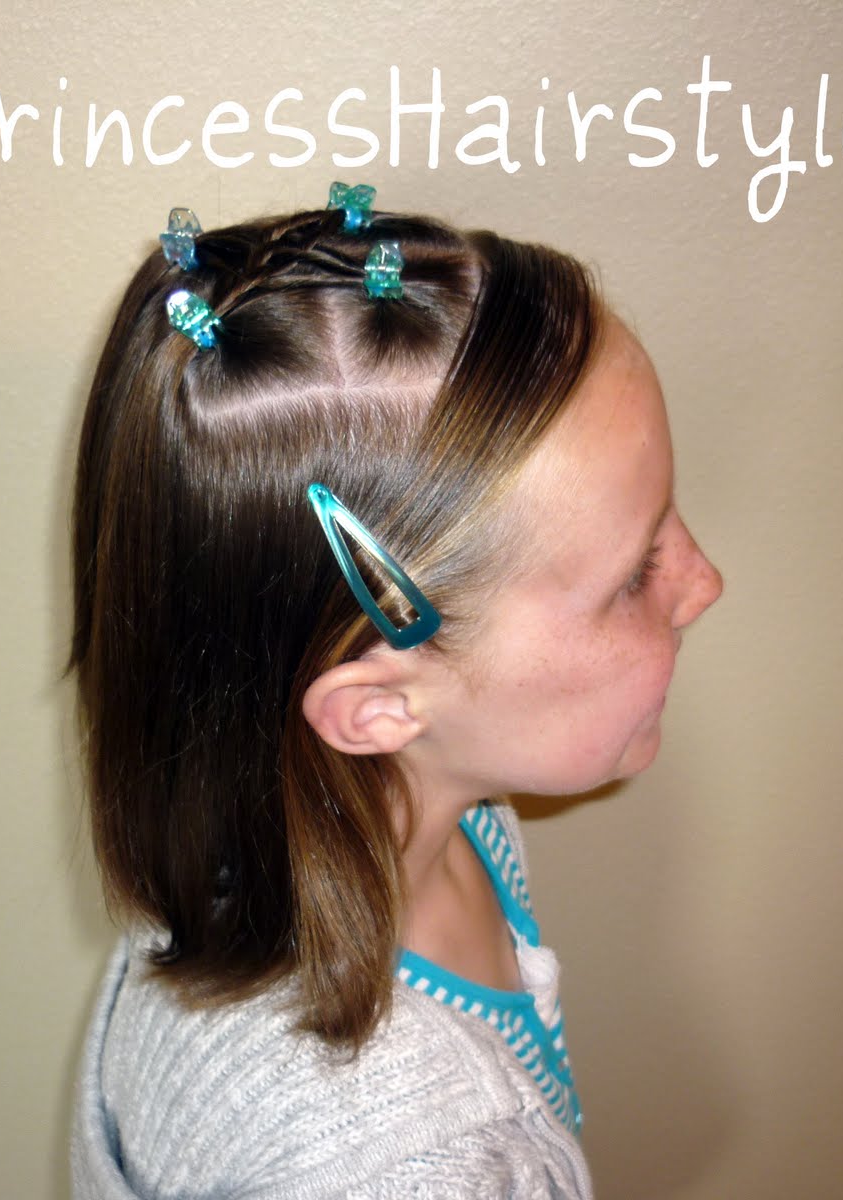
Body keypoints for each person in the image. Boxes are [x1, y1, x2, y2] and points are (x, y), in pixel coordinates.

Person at [67, 188, 723, 1199]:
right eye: (634, 572)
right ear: (378, 710)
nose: (702, 582)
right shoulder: (412, 1173)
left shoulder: (422, 807)